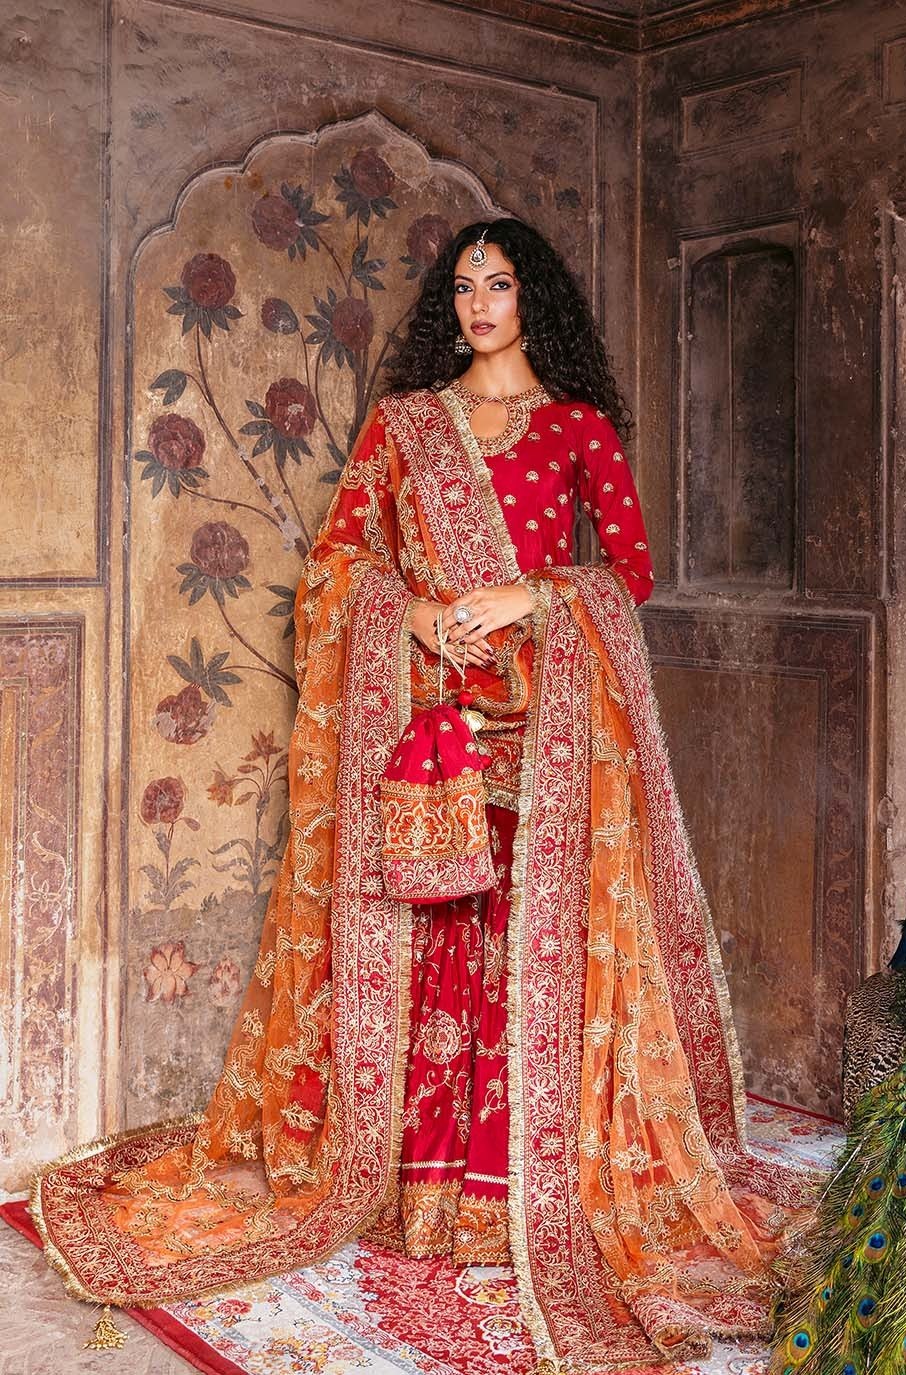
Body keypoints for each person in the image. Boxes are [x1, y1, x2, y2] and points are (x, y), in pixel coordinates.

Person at [33, 218, 811, 1370]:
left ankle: (521, 1191)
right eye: (462, 286)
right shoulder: (405, 426)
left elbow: (630, 572)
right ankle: (416, 1193)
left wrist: (529, 597)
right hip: (429, 717)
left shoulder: (576, 427)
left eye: (498, 284)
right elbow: (340, 563)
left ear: (533, 299)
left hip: (546, 731)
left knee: (528, 945)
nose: (477, 303)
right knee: (430, 933)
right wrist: (414, 615)